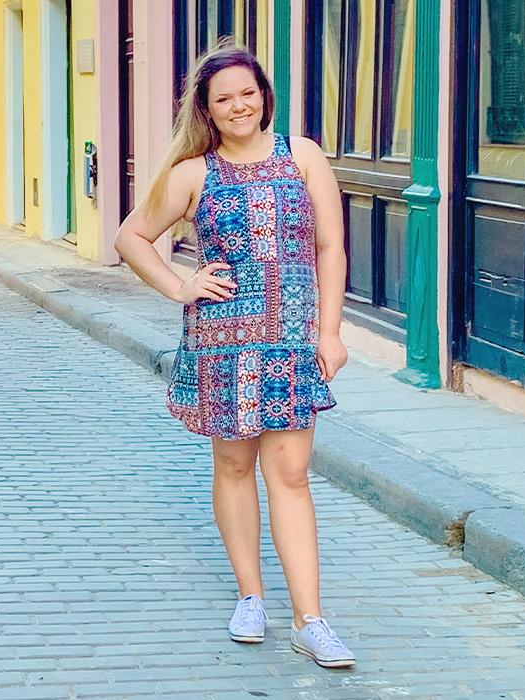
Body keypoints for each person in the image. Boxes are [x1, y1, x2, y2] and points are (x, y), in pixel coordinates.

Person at [113, 45, 353, 668]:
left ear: (263, 95)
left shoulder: (303, 156)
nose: (238, 105)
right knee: (235, 467)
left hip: (292, 341)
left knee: (293, 472)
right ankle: (251, 595)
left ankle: (311, 619)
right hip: (223, 341)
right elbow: (131, 236)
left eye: (246, 93)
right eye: (223, 98)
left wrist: (330, 332)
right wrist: (179, 285)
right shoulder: (194, 172)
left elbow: (330, 248)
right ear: (208, 110)